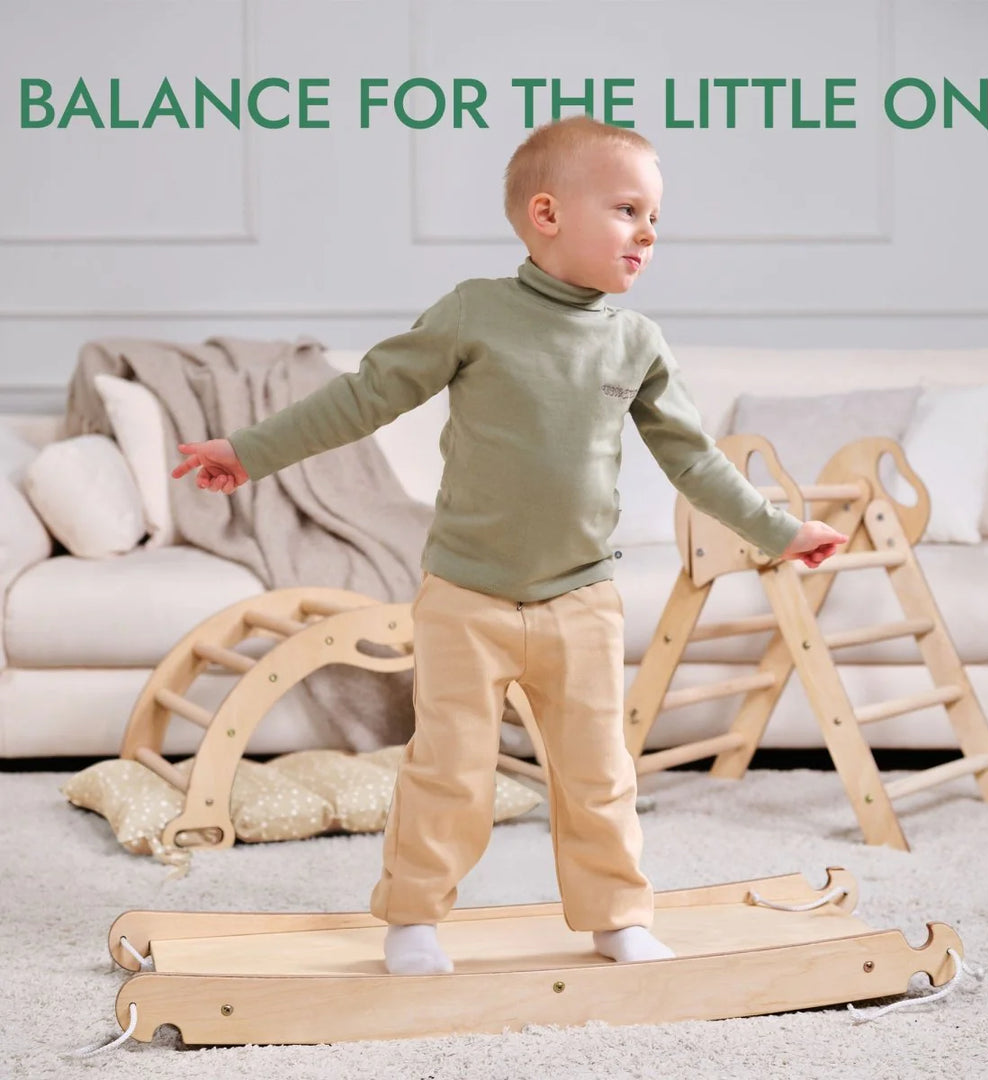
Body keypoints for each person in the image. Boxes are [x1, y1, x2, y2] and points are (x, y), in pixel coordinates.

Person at [173, 115, 848, 975]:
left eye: (655, 217)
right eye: (628, 210)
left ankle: (616, 917)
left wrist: (780, 532)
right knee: (449, 770)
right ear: (547, 214)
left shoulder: (635, 342)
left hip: (582, 599)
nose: (648, 233)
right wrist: (250, 451)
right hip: (467, 597)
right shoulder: (475, 313)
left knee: (600, 773)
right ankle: (413, 918)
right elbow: (363, 397)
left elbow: (695, 460)